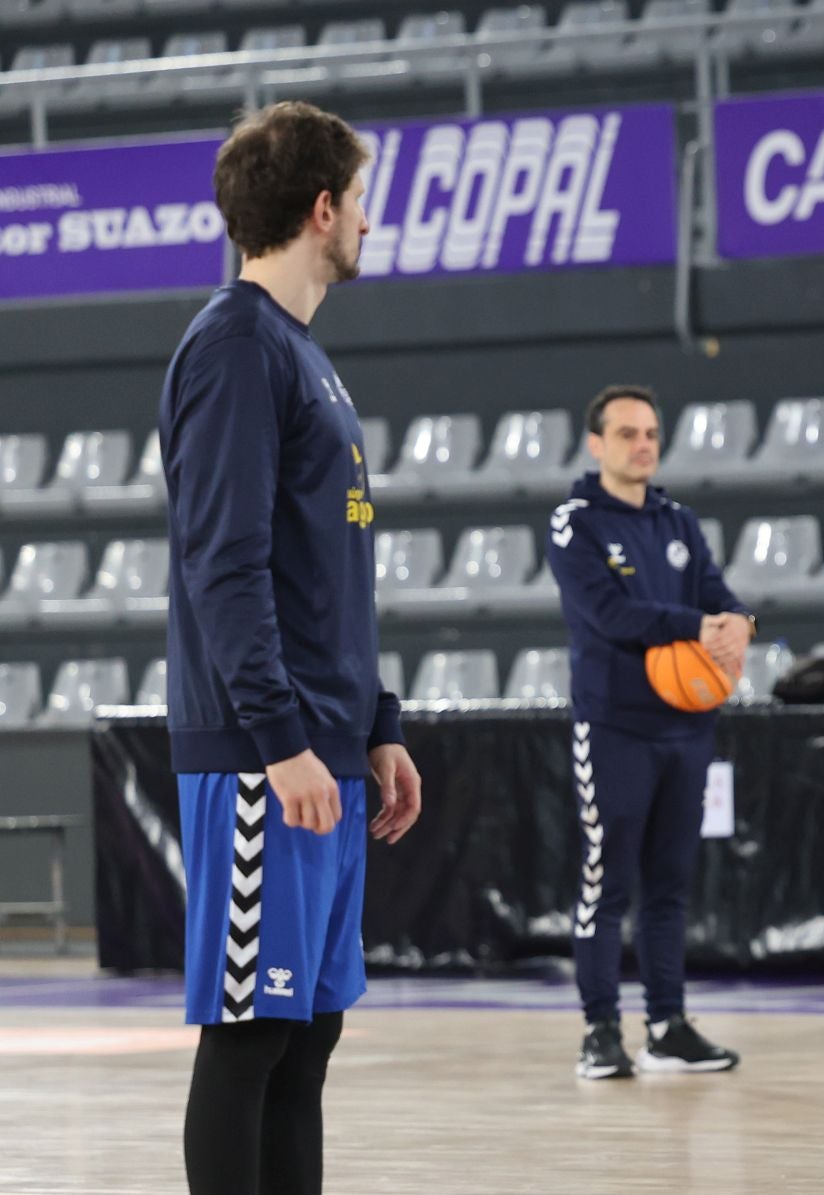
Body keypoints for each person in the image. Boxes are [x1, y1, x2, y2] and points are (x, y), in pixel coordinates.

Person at [162, 100, 424, 1195]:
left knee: (306, 1037)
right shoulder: (234, 348)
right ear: (322, 209)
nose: (367, 218)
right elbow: (225, 567)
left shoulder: (300, 354)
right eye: (358, 198)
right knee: (249, 1037)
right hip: (262, 759)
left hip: (321, 747)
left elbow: (323, 575)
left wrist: (378, 722)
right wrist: (279, 740)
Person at [548, 384, 755, 1079]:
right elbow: (609, 614)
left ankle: (667, 1023)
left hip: (688, 726)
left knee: (670, 882)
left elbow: (718, 594)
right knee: (607, 881)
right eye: (628, 432)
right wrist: (698, 625)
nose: (643, 444)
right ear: (596, 443)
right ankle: (600, 1029)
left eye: (651, 434)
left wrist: (737, 622)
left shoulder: (678, 521)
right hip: (615, 725)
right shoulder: (574, 523)